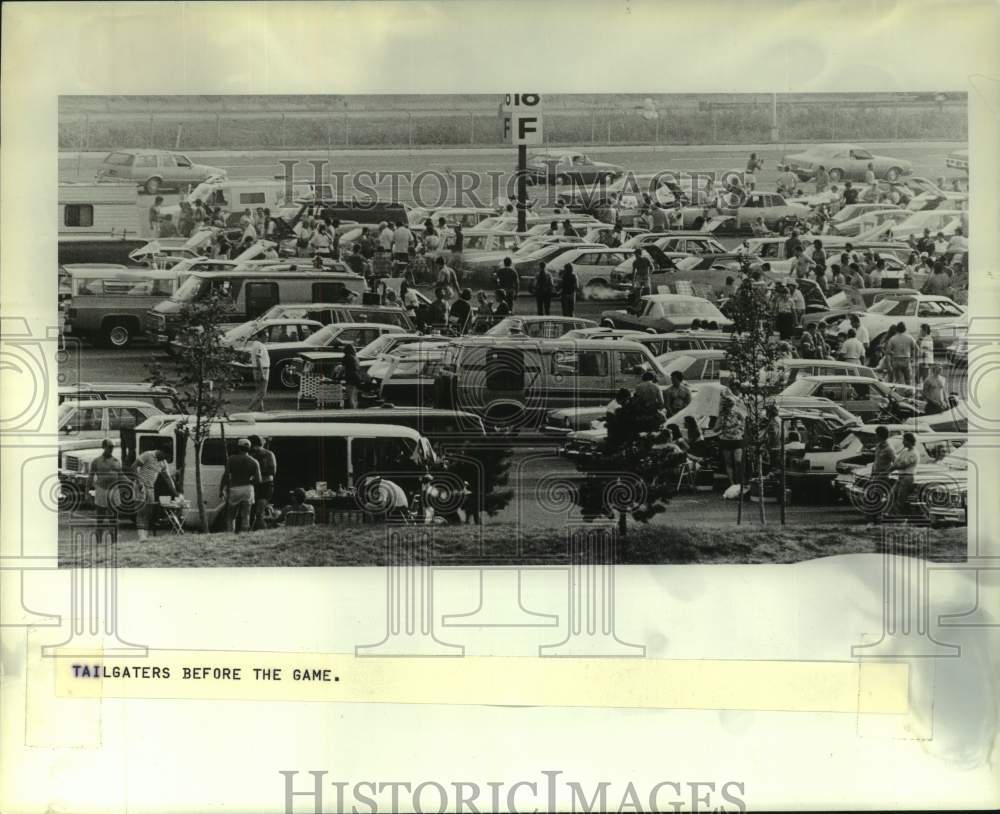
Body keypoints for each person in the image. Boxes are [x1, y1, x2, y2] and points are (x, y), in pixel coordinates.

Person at [132, 447, 176, 541]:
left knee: (149, 510)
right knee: (141, 511)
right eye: (165, 456)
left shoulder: (163, 462)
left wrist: (174, 491)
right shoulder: (148, 454)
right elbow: (134, 466)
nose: (165, 459)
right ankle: (141, 536)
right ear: (161, 452)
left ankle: (145, 534)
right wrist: (139, 481)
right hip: (141, 486)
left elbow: (168, 478)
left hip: (151, 488)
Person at [219, 438, 261, 534]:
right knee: (246, 515)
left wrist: (221, 489)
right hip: (247, 489)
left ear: (238, 447)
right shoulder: (254, 462)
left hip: (234, 488)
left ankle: (230, 534)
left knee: (231, 516)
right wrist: (250, 481)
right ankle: (244, 535)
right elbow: (259, 480)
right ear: (249, 448)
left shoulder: (232, 459)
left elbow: (225, 476)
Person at [88, 439, 123, 525]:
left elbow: (121, 475)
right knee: (100, 518)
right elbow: (90, 477)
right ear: (104, 447)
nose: (111, 449)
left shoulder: (116, 461)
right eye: (109, 447)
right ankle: (99, 537)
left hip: (114, 490)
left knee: (114, 518)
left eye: (112, 447)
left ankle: (114, 538)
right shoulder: (96, 461)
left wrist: (131, 483)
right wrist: (87, 492)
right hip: (102, 490)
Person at [716, 390, 745, 488]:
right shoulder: (722, 416)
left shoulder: (738, 414)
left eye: (732, 404)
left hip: (737, 439)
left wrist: (740, 430)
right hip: (726, 440)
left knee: (738, 461)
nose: (731, 407)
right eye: (729, 405)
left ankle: (738, 481)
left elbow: (744, 424)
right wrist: (721, 427)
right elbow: (716, 428)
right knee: (728, 462)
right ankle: (732, 483)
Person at [248, 434, 276, 531]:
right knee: (253, 512)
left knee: (259, 512)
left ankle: (262, 532)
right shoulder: (252, 455)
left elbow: (272, 471)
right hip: (256, 485)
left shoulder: (268, 454)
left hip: (265, 485)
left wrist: (257, 472)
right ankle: (253, 531)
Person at [889, 432, 919, 517]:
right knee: (892, 495)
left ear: (909, 441)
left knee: (900, 497)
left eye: (904, 440)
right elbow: (897, 461)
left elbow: (903, 464)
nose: (903, 442)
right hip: (901, 476)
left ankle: (898, 516)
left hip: (907, 477)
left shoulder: (914, 453)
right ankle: (894, 514)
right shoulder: (905, 451)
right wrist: (895, 464)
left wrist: (893, 467)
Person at [244, 337, 270, 411]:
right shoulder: (260, 345)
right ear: (262, 336)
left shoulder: (254, 345)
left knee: (258, 391)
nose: (267, 338)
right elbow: (258, 358)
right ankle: (249, 408)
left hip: (256, 369)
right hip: (263, 369)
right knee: (262, 392)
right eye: (266, 337)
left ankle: (260, 408)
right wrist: (262, 373)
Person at [341, 343, 364, 407]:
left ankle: (352, 408)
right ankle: (355, 407)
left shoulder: (346, 358)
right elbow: (358, 368)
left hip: (350, 377)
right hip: (357, 377)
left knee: (350, 396)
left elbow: (343, 369)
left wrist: (339, 375)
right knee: (355, 395)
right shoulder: (355, 358)